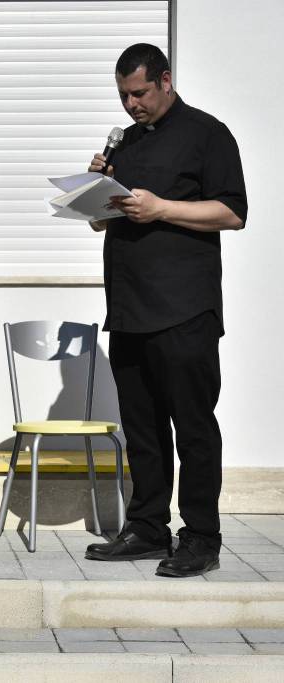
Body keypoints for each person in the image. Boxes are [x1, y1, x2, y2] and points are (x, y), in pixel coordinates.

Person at [83, 44, 247, 578]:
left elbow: (232, 212)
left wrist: (163, 208)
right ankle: (148, 527)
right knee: (143, 428)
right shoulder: (125, 143)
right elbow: (105, 224)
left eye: (140, 93)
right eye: (124, 95)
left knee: (194, 427)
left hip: (184, 310)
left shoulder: (208, 133)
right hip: (128, 309)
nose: (132, 105)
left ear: (166, 80)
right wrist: (95, 197)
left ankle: (200, 536)